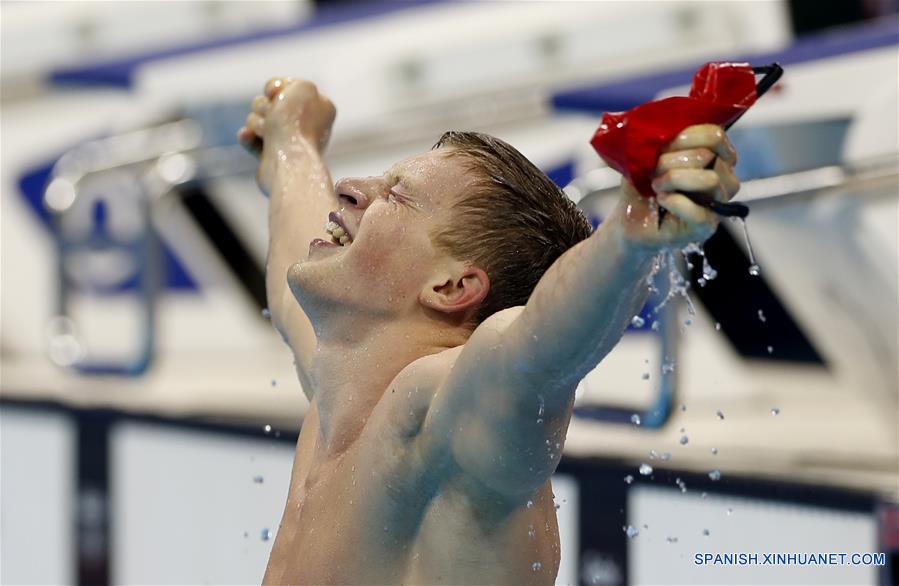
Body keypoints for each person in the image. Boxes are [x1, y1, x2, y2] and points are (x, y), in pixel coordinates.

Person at [236, 77, 739, 585]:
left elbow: (538, 350)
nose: (349, 187)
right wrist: (292, 142)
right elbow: (295, 265)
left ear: (452, 286)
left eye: (396, 195)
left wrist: (629, 237)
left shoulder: (441, 415)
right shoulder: (342, 387)